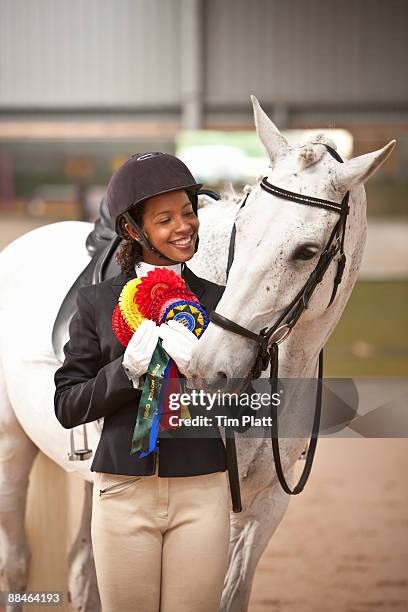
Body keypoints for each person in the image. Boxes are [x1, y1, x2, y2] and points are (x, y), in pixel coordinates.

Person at [54, 153, 231, 612]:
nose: (184, 227)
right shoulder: (95, 303)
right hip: (121, 493)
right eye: (165, 219)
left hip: (203, 492)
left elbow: (248, 403)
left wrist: (209, 378)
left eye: (188, 213)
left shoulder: (222, 304)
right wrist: (125, 371)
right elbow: (68, 405)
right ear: (133, 230)